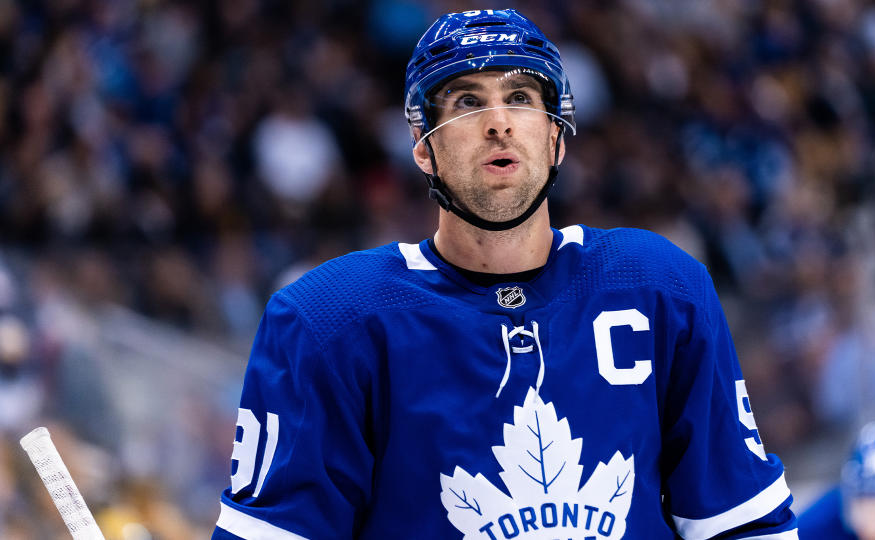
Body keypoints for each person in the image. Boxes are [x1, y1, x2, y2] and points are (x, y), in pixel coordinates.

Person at [212, 9, 798, 539]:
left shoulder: (662, 288)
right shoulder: (328, 320)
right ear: (423, 147)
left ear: (555, 137)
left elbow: (741, 522)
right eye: (467, 102)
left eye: (520, 97)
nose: (498, 122)